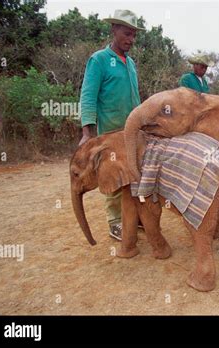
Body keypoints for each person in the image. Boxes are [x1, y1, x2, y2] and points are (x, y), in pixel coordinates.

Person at [79, 9, 144, 240]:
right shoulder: (99, 60)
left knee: (134, 174)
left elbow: (135, 97)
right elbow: (88, 95)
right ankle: (115, 221)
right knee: (114, 176)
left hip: (132, 131)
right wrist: (87, 132)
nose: (131, 39)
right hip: (110, 132)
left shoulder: (131, 63)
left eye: (134, 35)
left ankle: (134, 217)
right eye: (127, 33)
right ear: (114, 30)